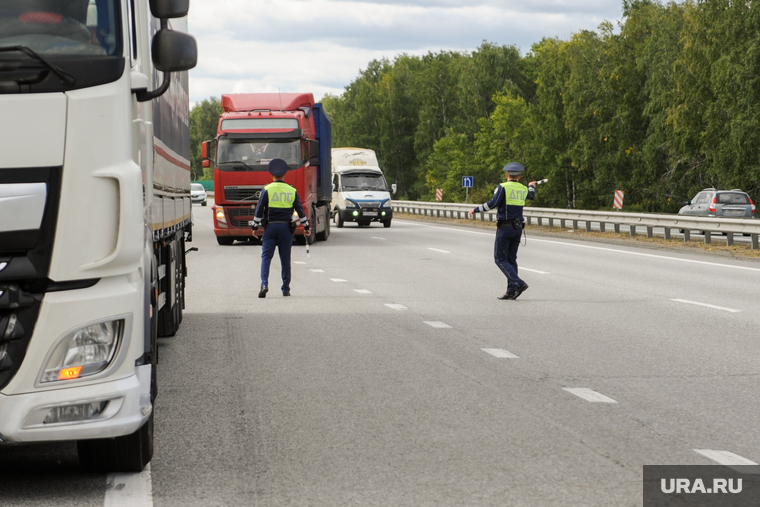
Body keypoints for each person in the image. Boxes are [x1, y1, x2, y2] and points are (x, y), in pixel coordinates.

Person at [469, 162, 537, 300]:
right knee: (511, 259)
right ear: (519, 175)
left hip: (505, 227)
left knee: (500, 259)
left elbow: (492, 204)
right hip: (517, 228)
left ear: (507, 175)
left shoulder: (503, 187)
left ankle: (518, 283)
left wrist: (475, 209)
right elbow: (531, 196)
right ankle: (511, 291)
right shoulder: (523, 188)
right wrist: (531, 186)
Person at [251, 158, 310, 298]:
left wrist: (254, 226)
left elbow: (259, 210)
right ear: (285, 174)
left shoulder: (267, 189)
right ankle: (286, 288)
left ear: (271, 175)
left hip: (270, 227)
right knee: (285, 258)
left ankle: (264, 284)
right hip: (285, 229)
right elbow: (300, 211)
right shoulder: (292, 190)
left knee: (266, 257)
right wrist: (306, 227)